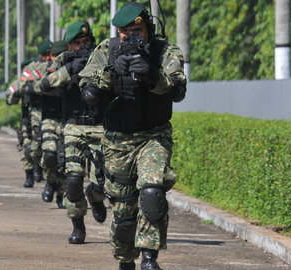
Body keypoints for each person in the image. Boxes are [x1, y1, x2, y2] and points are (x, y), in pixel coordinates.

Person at [78, 3, 187, 270]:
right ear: (118, 31)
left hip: (154, 135)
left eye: (137, 30)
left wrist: (152, 75)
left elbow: (179, 89)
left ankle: (150, 259)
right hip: (117, 140)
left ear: (148, 27)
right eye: (125, 32)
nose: (132, 37)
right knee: (124, 212)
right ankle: (126, 261)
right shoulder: (106, 50)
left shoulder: (165, 51)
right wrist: (112, 73)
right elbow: (88, 92)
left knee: (152, 193)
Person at [37, 21, 108, 244]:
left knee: (103, 180)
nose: (82, 46)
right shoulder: (63, 60)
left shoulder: (103, 56)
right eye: (77, 43)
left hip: (100, 126)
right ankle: (78, 224)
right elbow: (44, 85)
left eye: (86, 42)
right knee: (74, 179)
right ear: (70, 45)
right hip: (74, 126)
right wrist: (69, 71)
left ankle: (95, 198)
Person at [28, 40, 67, 208]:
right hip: (50, 118)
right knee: (49, 155)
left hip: (69, 120)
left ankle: (61, 193)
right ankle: (50, 181)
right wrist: (53, 80)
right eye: (55, 56)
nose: (58, 58)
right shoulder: (44, 70)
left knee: (65, 159)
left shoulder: (74, 67)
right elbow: (35, 86)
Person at [5, 59, 35, 187]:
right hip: (28, 120)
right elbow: (9, 98)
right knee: (28, 148)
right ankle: (29, 176)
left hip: (45, 119)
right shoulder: (18, 83)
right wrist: (17, 94)